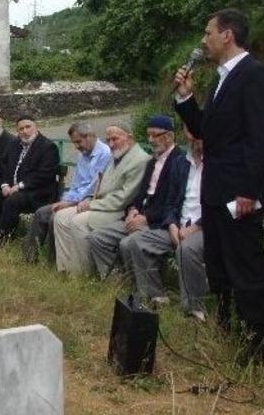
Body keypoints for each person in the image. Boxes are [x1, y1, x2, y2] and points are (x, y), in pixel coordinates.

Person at [173, 9, 264, 346]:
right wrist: (186, 97)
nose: (204, 40)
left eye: (208, 33)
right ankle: (227, 334)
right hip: (215, 191)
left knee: (245, 269)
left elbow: (258, 138)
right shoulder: (221, 79)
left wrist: (248, 191)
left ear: (227, 35)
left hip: (238, 196)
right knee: (219, 268)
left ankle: (257, 344)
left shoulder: (255, 75)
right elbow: (206, 132)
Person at [122, 126, 207, 320]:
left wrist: (194, 228)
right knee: (136, 242)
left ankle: (195, 311)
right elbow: (171, 203)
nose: (194, 138)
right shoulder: (181, 162)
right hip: (177, 226)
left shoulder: (217, 165)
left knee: (186, 249)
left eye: (198, 133)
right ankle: (155, 297)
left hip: (204, 227)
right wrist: (172, 225)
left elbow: (217, 206)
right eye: (190, 133)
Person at [88, 115, 185, 278]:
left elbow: (174, 201)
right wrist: (133, 209)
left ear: (169, 136)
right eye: (148, 135)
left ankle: (141, 286)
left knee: (129, 243)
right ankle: (115, 280)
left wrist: (147, 219)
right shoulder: (152, 161)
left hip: (159, 223)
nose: (151, 140)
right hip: (140, 216)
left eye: (155, 135)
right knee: (97, 237)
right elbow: (141, 194)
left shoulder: (179, 160)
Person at [53, 122, 149, 276]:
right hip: (102, 204)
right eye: (108, 140)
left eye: (115, 139)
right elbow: (99, 186)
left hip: (118, 210)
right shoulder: (117, 155)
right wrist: (88, 199)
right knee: (60, 217)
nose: (110, 144)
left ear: (129, 138)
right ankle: (65, 269)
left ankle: (81, 274)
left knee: (77, 222)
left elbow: (124, 198)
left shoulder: (139, 160)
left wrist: (92, 204)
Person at [23, 121, 111, 263]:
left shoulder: (105, 154)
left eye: (78, 142)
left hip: (89, 201)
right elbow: (76, 184)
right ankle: (29, 258)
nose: (76, 146)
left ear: (89, 136)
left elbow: (94, 187)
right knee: (41, 213)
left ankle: (55, 262)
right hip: (75, 199)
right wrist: (64, 200)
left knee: (54, 217)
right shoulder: (83, 155)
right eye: (74, 143)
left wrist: (69, 203)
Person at [0, 115, 59, 243]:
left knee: (12, 201)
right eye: (21, 129)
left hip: (37, 192)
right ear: (17, 131)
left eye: (28, 127)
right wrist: (4, 185)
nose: (25, 131)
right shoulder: (14, 145)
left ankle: (2, 240)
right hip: (13, 189)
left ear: (36, 127)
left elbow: (44, 175)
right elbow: (4, 167)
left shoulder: (47, 147)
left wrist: (19, 186)